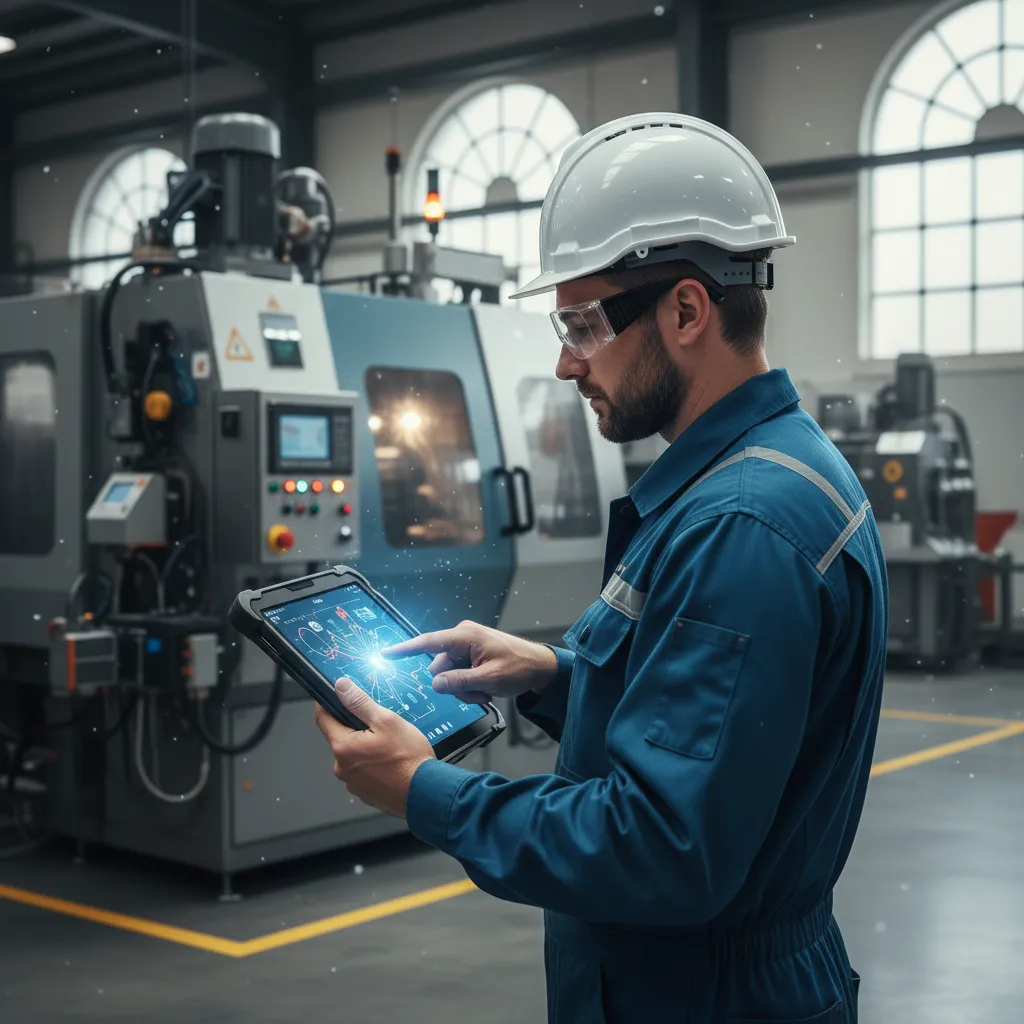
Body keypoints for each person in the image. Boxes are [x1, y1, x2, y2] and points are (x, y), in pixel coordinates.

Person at [314, 112, 888, 1023]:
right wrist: (556, 676)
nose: (565, 359)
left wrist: (425, 791)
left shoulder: (740, 526)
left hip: (700, 997)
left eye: (583, 323)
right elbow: (732, 726)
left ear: (688, 309)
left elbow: (663, 849)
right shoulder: (779, 470)